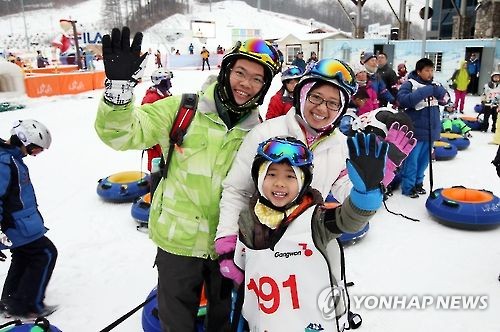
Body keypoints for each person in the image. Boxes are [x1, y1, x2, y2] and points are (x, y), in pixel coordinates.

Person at [95, 27, 280, 331]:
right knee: (176, 325)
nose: (246, 84)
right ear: (226, 69)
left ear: (265, 86)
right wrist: (118, 89)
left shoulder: (260, 132)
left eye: (257, 79)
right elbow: (121, 133)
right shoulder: (183, 109)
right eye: (240, 72)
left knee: (223, 324)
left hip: (229, 247)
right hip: (178, 246)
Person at [215, 59, 416, 292]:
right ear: (302, 95)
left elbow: (346, 192)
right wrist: (228, 243)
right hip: (259, 244)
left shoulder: (340, 144)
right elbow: (237, 190)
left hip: (308, 246)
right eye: (316, 97)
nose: (322, 109)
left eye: (333, 103)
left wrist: (377, 180)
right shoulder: (266, 133)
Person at [231, 135, 388, 330]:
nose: (280, 183)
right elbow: (245, 273)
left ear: (304, 181)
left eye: (290, 176)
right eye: (271, 174)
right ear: (259, 177)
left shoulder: (316, 219)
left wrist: (366, 195)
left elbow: (348, 220)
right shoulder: (248, 219)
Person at [0, 119, 58, 318]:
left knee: (24, 256)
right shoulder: (5, 162)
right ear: (24, 141)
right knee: (45, 253)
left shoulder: (11, 158)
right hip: (15, 225)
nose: (35, 154)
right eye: (35, 149)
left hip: (21, 223)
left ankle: (10, 300)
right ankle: (28, 305)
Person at [397, 57, 450, 198]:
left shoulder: (435, 84)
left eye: (432, 70)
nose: (430, 73)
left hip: (431, 131)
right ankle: (408, 186)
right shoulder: (410, 84)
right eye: (427, 70)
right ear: (419, 71)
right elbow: (403, 100)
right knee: (412, 161)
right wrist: (426, 90)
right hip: (415, 131)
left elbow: (446, 99)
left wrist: (440, 93)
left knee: (424, 161)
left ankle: (418, 183)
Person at [142, 68, 174, 171]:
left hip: (166, 138)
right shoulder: (151, 99)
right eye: (168, 81)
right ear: (161, 82)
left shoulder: (166, 94)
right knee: (156, 168)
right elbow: (146, 121)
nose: (170, 84)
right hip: (155, 143)